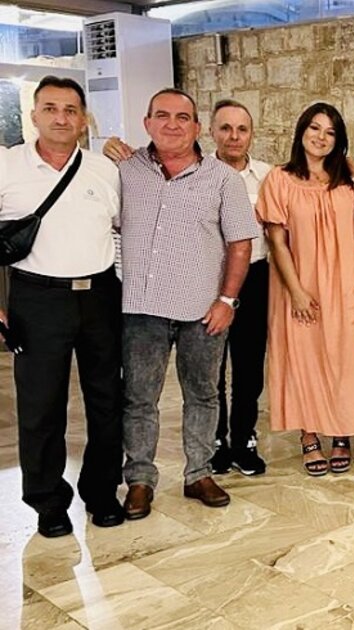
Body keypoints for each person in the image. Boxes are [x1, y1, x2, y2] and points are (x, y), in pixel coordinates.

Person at [104, 99, 272, 477]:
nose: (173, 125)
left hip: (225, 290)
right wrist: (108, 147)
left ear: (195, 127)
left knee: (222, 382)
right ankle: (147, 476)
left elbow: (243, 242)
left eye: (182, 117)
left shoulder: (247, 176)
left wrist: (227, 299)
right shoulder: (126, 170)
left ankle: (220, 457)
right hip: (150, 302)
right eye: (162, 116)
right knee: (144, 396)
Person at [0, 76, 124, 536]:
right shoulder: (7, 166)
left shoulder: (104, 170)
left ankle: (102, 490)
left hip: (99, 296)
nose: (61, 118)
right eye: (50, 108)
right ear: (34, 115)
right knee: (41, 404)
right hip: (37, 298)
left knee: (107, 399)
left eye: (71, 110)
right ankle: (47, 501)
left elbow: (120, 228)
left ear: (84, 119)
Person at [258, 102, 354, 476]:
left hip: (345, 286)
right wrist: (295, 290)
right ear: (301, 131)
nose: (321, 137)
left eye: (330, 132)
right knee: (303, 360)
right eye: (314, 128)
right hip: (300, 285)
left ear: (339, 140)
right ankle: (309, 436)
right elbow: (277, 241)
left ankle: (341, 431)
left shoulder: (349, 180)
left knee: (345, 358)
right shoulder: (280, 179)